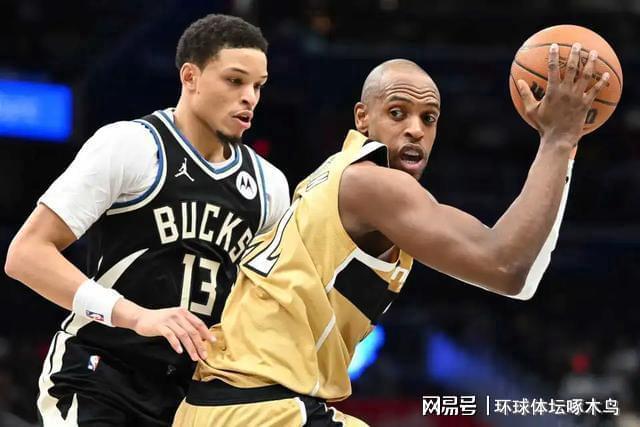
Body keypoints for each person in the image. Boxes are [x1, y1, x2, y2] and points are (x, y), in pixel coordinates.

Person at [169, 41, 609, 426]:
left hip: (222, 408)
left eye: (429, 118)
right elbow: (506, 266)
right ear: (363, 119)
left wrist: (564, 148)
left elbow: (521, 279)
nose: (415, 129)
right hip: (262, 407)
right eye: (397, 113)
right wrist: (557, 139)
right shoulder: (371, 183)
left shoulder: (338, 178)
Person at [4, 14, 290, 426]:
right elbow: (26, 255)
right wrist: (137, 316)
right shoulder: (131, 145)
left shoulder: (270, 186)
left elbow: (262, 304)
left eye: (258, 86)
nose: (250, 97)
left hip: (193, 396)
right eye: (235, 81)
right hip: (102, 373)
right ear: (190, 77)